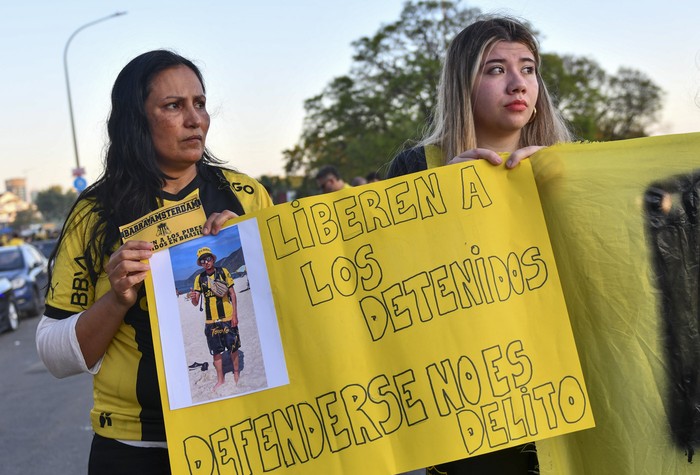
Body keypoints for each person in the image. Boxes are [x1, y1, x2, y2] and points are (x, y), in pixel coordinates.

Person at [35, 50, 273, 474]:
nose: (195, 119)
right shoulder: (94, 214)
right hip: (133, 447)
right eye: (173, 106)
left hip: (243, 432)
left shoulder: (248, 197)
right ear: (136, 121)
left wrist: (254, 247)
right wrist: (115, 300)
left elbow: (294, 313)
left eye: (199, 103)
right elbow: (54, 355)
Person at [387, 16, 572, 475]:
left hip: (560, 388)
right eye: (495, 70)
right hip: (465, 404)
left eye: (528, 69)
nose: (517, 83)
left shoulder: (574, 167)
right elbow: (386, 290)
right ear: (463, 84)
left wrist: (564, 189)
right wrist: (442, 206)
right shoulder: (415, 167)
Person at [188, 246, 240, 390]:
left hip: (228, 318)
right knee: (216, 352)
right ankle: (220, 379)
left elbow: (233, 294)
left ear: (212, 259)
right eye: (203, 260)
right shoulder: (199, 278)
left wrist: (235, 315)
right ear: (201, 263)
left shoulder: (223, 272)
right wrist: (193, 297)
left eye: (208, 258)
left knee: (233, 347)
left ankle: (236, 372)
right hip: (211, 322)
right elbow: (195, 302)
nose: (206, 262)